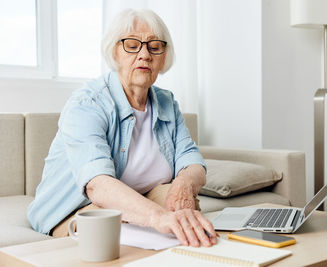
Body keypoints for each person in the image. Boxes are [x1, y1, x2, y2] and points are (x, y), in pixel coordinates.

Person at [27, 9, 217, 247]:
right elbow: (97, 183)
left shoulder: (167, 102)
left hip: (139, 199)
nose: (145, 54)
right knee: (111, 226)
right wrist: (158, 217)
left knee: (185, 207)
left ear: (164, 55)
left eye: (154, 46)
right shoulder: (87, 103)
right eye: (132, 45)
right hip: (76, 208)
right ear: (114, 52)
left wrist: (184, 183)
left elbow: (192, 159)